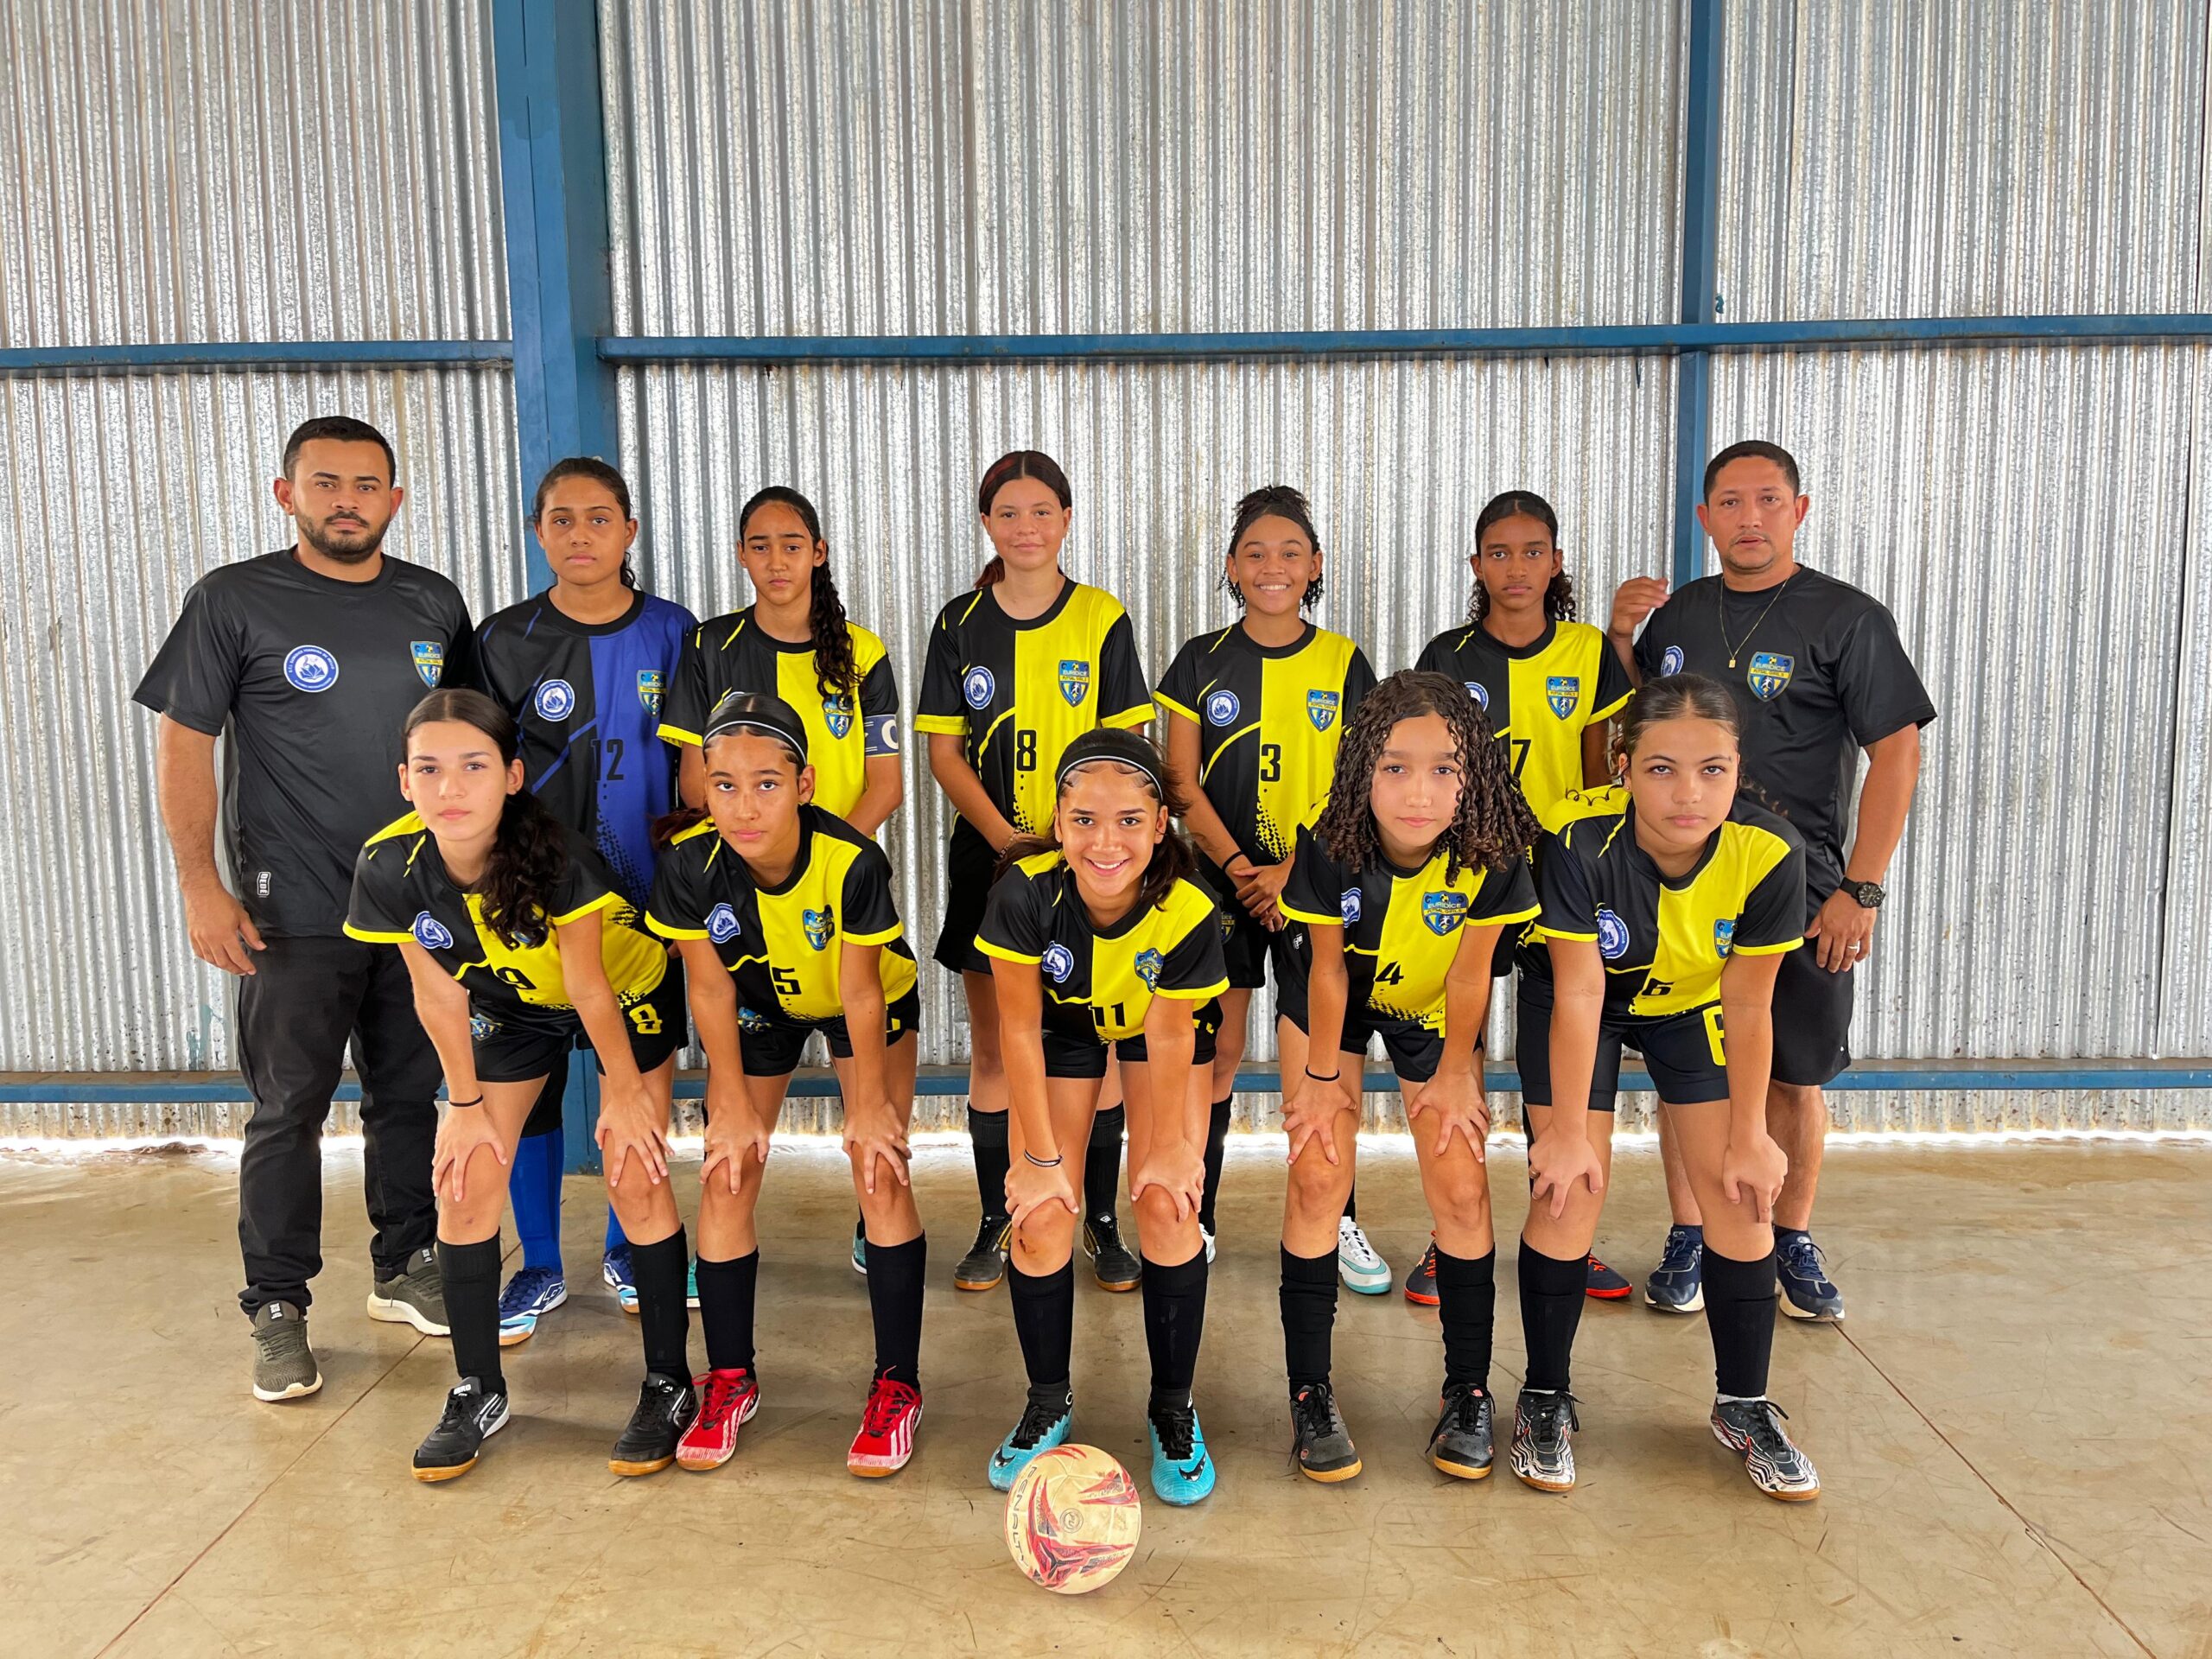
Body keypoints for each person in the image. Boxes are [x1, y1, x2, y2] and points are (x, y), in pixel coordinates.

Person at [134, 415, 473, 1402]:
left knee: (413, 1094)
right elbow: (186, 745)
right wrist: (201, 881)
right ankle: (277, 1307)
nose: (346, 502)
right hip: (295, 910)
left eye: (367, 486)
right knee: (290, 1109)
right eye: (325, 483)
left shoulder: (431, 601)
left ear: (395, 502)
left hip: (416, 909)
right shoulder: (233, 600)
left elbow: (466, 751)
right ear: (287, 494)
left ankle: (406, 1265)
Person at [1608, 441, 1933, 1319]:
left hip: (1802, 883)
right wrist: (1620, 642)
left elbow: (1896, 753)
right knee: (1685, 1063)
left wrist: (1858, 889)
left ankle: (1788, 1234)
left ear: (1798, 510)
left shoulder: (1846, 618)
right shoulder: (1679, 618)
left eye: (1766, 500)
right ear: (1705, 517)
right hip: (1680, 881)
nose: (1748, 517)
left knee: (1792, 1072)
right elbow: (1644, 734)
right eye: (1729, 502)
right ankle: (1690, 1231)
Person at [345, 690, 690, 1481]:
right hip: (510, 1005)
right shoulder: (387, 866)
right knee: (464, 1184)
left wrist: (627, 1090)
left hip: (623, 995)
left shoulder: (552, 858)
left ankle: (669, 1383)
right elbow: (436, 994)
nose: (450, 788)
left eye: (473, 766)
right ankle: (478, 1389)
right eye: (429, 769)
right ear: (405, 781)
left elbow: (590, 986)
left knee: (633, 1172)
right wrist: (463, 1108)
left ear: (511, 776)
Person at [1511, 674, 1821, 1500]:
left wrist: (1754, 1133)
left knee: (1742, 1192)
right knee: (1568, 1188)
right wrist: (1569, 1131)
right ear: (1623, 765)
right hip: (1583, 1001)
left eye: (1712, 769)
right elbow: (1579, 994)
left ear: (1738, 766)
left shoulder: (1770, 852)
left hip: (1692, 1006)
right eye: (1661, 769)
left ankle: (1743, 1404)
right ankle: (1544, 1395)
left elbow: (1750, 1003)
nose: (1689, 794)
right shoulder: (1576, 842)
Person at [645, 691, 928, 1477]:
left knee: (878, 1168)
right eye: (724, 783)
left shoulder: (851, 862)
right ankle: (730, 1377)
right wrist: (729, 1104)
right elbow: (708, 989)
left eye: (766, 783)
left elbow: (863, 993)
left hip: (858, 1002)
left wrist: (869, 1106)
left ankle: (897, 1384)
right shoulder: (689, 867)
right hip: (758, 1000)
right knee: (729, 1170)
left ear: (804, 784)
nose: (743, 804)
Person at [1274, 671, 1540, 1483]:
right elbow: (1324, 971)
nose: (1418, 792)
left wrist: (1459, 1069)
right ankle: (1310, 1393)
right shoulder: (1329, 842)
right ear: (1362, 770)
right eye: (1395, 766)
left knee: (1462, 1184)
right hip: (1335, 1005)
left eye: (1443, 769)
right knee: (1319, 1176)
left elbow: (1472, 974)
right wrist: (1322, 1076)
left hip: (1433, 1004)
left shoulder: (1491, 851)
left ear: (1474, 776)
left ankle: (1467, 1391)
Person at [914, 451, 1154, 1295]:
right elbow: (943, 753)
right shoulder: (958, 624)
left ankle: (1099, 1221)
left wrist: (1074, 838)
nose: (1025, 527)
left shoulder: (1100, 619)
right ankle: (997, 1218)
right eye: (1007, 513)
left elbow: (1126, 751)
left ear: (1065, 518)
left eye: (1040, 511)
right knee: (994, 1051)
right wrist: (1012, 840)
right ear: (988, 524)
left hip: (1095, 860)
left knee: (1102, 1046)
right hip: (992, 856)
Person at [473, 457, 696, 1342]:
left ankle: (622, 1246)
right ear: (538, 533)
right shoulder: (502, 639)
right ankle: (535, 1265)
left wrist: (687, 895)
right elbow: (476, 770)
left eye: (598, 519)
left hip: (643, 899)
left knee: (635, 1081)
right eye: (560, 520)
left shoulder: (676, 632)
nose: (579, 535)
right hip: (531, 900)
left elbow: (694, 769)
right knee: (528, 1089)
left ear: (630, 532)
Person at [976, 728, 1225, 1504]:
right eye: (1083, 819)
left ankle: (1172, 1408)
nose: (1104, 840)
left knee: (1168, 1208)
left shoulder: (1187, 907)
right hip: (1062, 1029)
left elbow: (1172, 1031)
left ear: (1159, 826)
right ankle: (1048, 1400)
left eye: (1127, 820)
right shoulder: (1023, 891)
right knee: (1043, 1216)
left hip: (1156, 1031)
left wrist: (1179, 1148)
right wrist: (1041, 1161)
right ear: (1057, 822)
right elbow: (1017, 1028)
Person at [1156, 484, 1389, 1291]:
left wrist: (1294, 871)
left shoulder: (1344, 661)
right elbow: (1178, 781)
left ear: (1315, 565)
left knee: (1325, 1058)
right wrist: (1239, 872)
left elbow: (1364, 780)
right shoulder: (1199, 659)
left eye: (1291, 552)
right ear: (1231, 566)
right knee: (1213, 1050)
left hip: (1316, 883)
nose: (1272, 567)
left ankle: (1339, 1215)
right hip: (1221, 884)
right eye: (1254, 552)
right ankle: (1202, 1210)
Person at [1414, 490, 1636, 1305]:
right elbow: (1428, 761)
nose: (1516, 567)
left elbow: (1596, 766)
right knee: (1457, 1054)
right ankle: (1451, 1236)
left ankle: (1564, 1231)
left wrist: (1594, 862)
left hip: (1559, 880)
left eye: (1532, 550)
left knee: (1555, 1048)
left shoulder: (1585, 652)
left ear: (1557, 561)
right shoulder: (1448, 654)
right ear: (1477, 566)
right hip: (1467, 875)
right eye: (1498, 553)